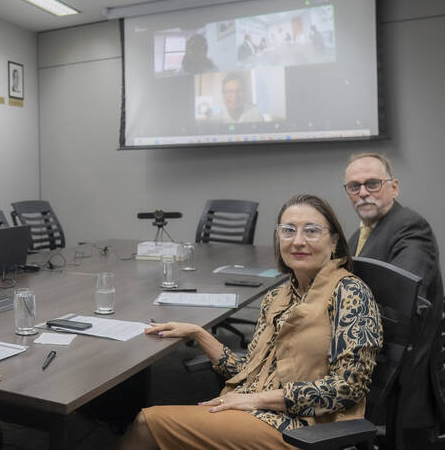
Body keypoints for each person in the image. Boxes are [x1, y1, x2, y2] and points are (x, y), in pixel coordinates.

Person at [118, 194, 382, 450]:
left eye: (311, 231)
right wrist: (200, 334)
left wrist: (254, 399)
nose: (298, 241)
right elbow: (248, 372)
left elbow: (349, 387)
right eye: (288, 231)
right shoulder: (278, 297)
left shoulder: (350, 292)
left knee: (147, 423)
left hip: (302, 429)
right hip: (256, 412)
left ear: (334, 241)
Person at [343, 152, 442, 430]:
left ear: (393, 187)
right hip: (368, 353)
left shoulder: (410, 227)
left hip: (398, 368)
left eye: (372, 183)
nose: (363, 193)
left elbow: (401, 300)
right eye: (354, 186)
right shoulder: (360, 233)